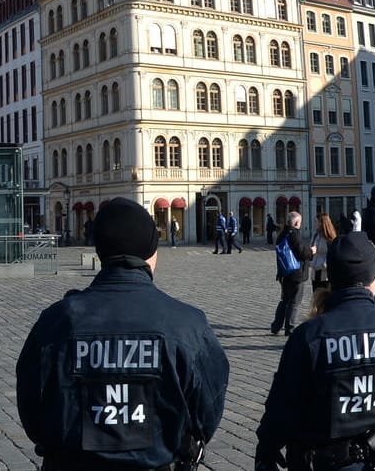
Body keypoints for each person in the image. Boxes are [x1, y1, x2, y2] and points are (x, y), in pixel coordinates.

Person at [17, 198, 228, 470]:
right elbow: (207, 410)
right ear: (151, 252)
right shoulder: (187, 324)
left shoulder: (56, 321)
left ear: (100, 251)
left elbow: (32, 404)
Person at [254, 232, 375, 471]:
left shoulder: (308, 337)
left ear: (331, 278)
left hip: (320, 462)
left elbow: (282, 407)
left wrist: (267, 450)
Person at [269, 211, 314, 336]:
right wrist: (311, 251)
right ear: (296, 223)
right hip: (296, 273)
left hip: (284, 272)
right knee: (294, 301)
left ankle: (276, 326)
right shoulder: (294, 234)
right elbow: (302, 253)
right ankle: (290, 328)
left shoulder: (282, 233)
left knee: (284, 300)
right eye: (300, 222)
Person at [309, 212, 337, 291]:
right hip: (315, 271)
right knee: (316, 297)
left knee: (324, 297)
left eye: (316, 222)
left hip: (325, 274)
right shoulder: (315, 235)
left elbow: (333, 255)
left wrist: (324, 265)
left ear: (322, 223)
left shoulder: (330, 238)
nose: (315, 224)